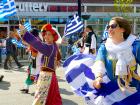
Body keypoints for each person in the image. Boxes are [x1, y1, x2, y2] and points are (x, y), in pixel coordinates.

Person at [86, 17, 140, 105]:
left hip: (132, 93)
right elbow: (99, 62)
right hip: (111, 92)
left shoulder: (135, 46)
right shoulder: (105, 46)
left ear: (123, 29)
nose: (109, 29)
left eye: (113, 26)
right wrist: (98, 77)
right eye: (108, 27)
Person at [19, 24, 62, 105]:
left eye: (49, 34)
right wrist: (58, 59)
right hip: (50, 76)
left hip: (47, 76)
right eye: (46, 34)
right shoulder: (53, 45)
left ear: (54, 37)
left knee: (40, 98)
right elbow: (58, 53)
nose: (46, 36)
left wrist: (24, 32)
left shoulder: (49, 47)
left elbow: (37, 44)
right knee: (51, 98)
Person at [20, 28, 42, 94]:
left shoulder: (36, 40)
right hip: (36, 61)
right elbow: (25, 42)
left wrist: (31, 53)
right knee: (32, 75)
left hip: (36, 61)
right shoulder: (37, 39)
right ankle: (27, 88)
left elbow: (35, 53)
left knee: (35, 76)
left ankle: (39, 90)